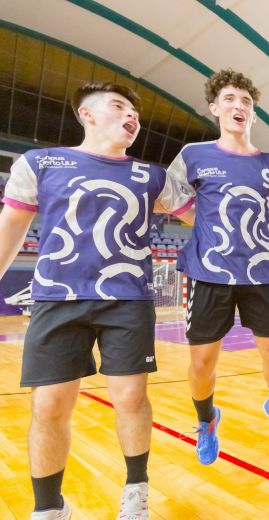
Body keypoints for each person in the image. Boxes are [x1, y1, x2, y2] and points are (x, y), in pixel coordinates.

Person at [0, 82, 194, 519]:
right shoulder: (40, 163)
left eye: (136, 114)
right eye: (119, 107)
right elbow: (10, 227)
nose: (132, 117)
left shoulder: (152, 176)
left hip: (126, 298)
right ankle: (50, 507)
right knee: (48, 405)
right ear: (86, 115)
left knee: (129, 397)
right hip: (57, 297)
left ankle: (136, 490)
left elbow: (201, 216)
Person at [168, 69, 269, 464]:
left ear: (253, 113)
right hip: (209, 274)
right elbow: (168, 198)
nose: (239, 106)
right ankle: (206, 421)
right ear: (214, 108)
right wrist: (201, 218)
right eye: (230, 99)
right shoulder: (193, 155)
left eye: (246, 102)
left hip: (260, 274)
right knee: (202, 361)